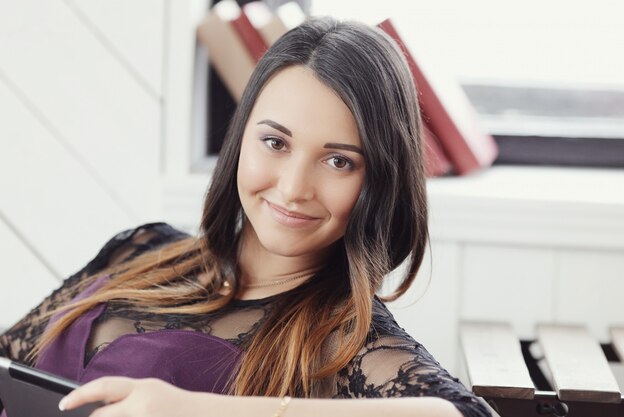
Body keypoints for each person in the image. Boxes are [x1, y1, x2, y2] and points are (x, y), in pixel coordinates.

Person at [0, 17, 490, 417]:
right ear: (241, 139)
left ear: (379, 179)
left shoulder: (348, 343)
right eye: (275, 143)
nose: (294, 189)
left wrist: (197, 410)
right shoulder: (141, 249)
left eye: (339, 160)